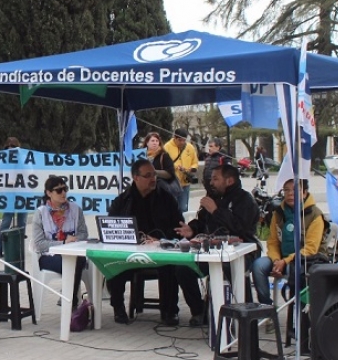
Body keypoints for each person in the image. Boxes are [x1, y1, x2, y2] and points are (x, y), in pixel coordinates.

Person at [106, 158, 206, 326]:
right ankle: (118, 308)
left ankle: (170, 312)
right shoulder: (123, 200)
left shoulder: (166, 198)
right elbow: (111, 228)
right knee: (113, 264)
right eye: (148, 175)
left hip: (161, 251)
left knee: (171, 266)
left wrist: (160, 239)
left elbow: (178, 228)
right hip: (131, 252)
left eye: (154, 175)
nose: (153, 179)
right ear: (135, 178)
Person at [251, 179, 325, 304]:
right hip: (279, 259)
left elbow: (311, 248)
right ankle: (267, 308)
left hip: (303, 261)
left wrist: (284, 262)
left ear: (305, 193)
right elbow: (273, 242)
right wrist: (276, 261)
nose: (290, 194)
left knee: (295, 271)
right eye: (286, 190)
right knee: (258, 266)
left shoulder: (315, 215)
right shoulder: (278, 213)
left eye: (295, 190)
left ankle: (295, 313)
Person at [29, 175, 89, 309]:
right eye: (59, 190)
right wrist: (62, 244)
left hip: (73, 253)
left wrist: (74, 240)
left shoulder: (75, 209)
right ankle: (72, 302)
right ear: (49, 193)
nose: (63, 193)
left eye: (65, 189)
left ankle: (70, 301)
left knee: (78, 260)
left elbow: (83, 233)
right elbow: (39, 244)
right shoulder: (41, 213)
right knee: (75, 262)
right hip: (49, 256)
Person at [176, 163, 258, 245]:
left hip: (243, 249)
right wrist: (192, 230)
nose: (211, 183)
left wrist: (216, 211)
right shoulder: (214, 197)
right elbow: (203, 223)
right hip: (214, 248)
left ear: (229, 181)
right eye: (211, 179)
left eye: (215, 179)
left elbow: (240, 229)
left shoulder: (244, 199)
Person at [0, 136, 27, 256]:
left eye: (13, 148)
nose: (11, 150)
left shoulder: (23, 158)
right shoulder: (2, 160)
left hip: (23, 192)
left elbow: (29, 172)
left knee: (22, 221)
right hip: (9, 192)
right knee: (6, 220)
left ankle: (18, 248)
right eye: (8, 148)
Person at [164, 128, 199, 213]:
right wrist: (176, 167)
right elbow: (164, 163)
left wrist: (192, 169)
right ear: (175, 138)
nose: (182, 142)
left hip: (185, 183)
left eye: (184, 140)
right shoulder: (167, 147)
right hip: (172, 183)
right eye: (180, 140)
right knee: (172, 208)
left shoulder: (190, 147)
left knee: (183, 208)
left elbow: (195, 162)